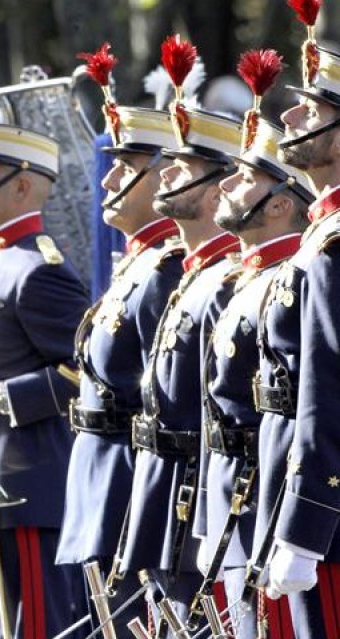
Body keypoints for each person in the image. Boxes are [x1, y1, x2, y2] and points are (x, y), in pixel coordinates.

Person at [0, 115, 90, 638]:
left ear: (23, 186)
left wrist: (4, 397)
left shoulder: (39, 267)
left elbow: (86, 371)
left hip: (26, 486)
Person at [56, 100, 184, 636]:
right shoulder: (138, 264)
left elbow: (170, 405)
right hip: (101, 487)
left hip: (133, 490)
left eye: (128, 167)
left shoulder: (167, 269)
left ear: (168, 175)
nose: (108, 177)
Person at [120, 74, 243, 629]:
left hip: (197, 495)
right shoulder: (190, 274)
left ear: (220, 190)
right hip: (163, 490)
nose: (164, 174)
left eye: (183, 168)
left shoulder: (224, 282)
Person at [195, 112, 312, 637]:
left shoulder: (289, 281)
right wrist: (206, 517)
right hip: (233, 501)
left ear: (281, 204)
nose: (226, 184)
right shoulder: (246, 281)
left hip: (262, 496)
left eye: (246, 179)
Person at [257, 43, 340, 634]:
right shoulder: (323, 235)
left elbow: (327, 387)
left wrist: (307, 527)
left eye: (310, 110)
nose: (288, 116)